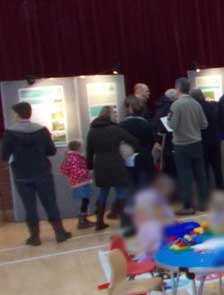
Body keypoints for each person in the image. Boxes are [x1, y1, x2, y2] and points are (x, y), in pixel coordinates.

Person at [1, 102, 72, 245]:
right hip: (42, 172)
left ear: (18, 114)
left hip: (21, 175)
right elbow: (51, 151)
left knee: (29, 206)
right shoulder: (42, 130)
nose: (13, 116)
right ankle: (60, 233)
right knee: (50, 203)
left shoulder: (9, 133)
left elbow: (4, 155)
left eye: (14, 113)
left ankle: (34, 238)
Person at [86, 106, 139, 231]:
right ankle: (125, 223)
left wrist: (90, 167)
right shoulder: (115, 129)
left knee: (103, 193)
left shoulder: (92, 131)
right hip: (116, 164)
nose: (116, 116)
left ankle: (99, 222)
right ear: (109, 116)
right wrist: (126, 150)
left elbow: (89, 151)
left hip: (100, 165)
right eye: (114, 114)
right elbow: (134, 141)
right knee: (121, 192)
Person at [168, 77, 209, 215]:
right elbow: (204, 124)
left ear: (178, 89)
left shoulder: (176, 105)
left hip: (181, 145)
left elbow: (172, 125)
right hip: (197, 143)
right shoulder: (196, 104)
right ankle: (203, 203)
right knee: (200, 174)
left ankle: (188, 206)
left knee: (185, 176)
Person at [190, 88, 224, 190]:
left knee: (204, 169)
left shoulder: (194, 109)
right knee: (217, 168)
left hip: (201, 141)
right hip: (215, 140)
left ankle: (206, 193)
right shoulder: (212, 106)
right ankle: (221, 189)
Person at [119, 95, 156, 189]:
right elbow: (152, 141)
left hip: (128, 159)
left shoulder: (122, 125)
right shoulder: (147, 123)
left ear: (128, 108)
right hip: (145, 158)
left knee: (131, 188)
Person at [60, 140, 95, 229]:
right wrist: (88, 172)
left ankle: (84, 219)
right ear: (77, 147)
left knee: (85, 200)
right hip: (80, 182)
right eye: (81, 146)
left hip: (78, 181)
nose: (82, 148)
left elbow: (64, 169)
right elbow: (76, 171)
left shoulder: (71, 157)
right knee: (85, 200)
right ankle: (82, 221)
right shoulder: (74, 157)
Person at [152, 89, 178, 179]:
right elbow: (169, 127)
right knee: (172, 171)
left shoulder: (160, 106)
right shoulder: (169, 108)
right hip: (169, 143)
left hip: (161, 142)